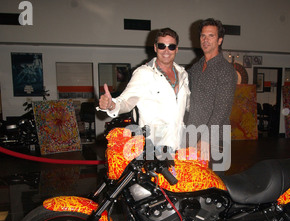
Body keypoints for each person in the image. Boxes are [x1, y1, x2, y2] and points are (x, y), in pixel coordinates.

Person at [98, 28, 190, 151]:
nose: (166, 51)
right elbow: (126, 101)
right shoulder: (143, 73)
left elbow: (188, 106)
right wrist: (111, 104)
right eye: (162, 46)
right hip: (154, 148)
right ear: (155, 48)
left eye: (171, 46)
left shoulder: (183, 74)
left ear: (176, 49)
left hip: (180, 145)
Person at [185, 18, 237, 172]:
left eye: (211, 36)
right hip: (192, 136)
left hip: (214, 139)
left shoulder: (226, 70)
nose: (205, 40)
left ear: (220, 40)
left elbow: (222, 109)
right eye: (202, 36)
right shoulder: (196, 67)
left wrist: (206, 138)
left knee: (213, 187)